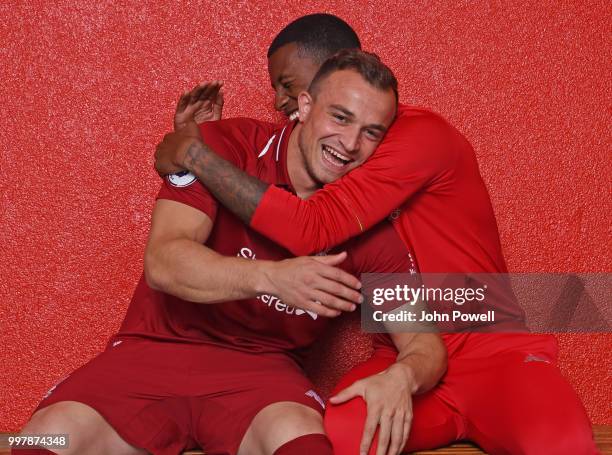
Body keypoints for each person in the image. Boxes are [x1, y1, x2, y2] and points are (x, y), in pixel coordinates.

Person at [154, 14, 599, 455]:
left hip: (488, 347)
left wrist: (198, 156)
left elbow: (308, 228)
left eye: (288, 85)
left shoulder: (420, 135)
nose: (280, 101)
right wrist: (214, 141)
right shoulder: (332, 156)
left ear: (341, 68)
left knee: (565, 446)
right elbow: (275, 185)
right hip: (403, 353)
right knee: (343, 436)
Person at [15, 50, 446, 455]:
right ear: (306, 105)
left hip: (262, 375)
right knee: (43, 437)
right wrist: (272, 277)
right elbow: (164, 261)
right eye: (340, 117)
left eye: (371, 133)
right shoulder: (220, 147)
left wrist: (403, 376)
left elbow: (423, 341)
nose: (350, 143)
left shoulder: (367, 227)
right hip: (152, 352)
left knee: (302, 439)